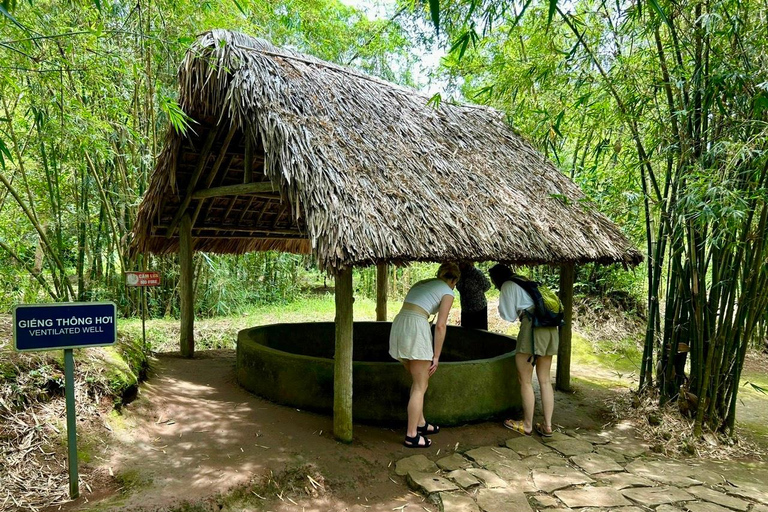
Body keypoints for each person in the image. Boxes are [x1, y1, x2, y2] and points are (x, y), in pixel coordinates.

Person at [389, 262, 460, 448]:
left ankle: (420, 423)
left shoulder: (424, 283)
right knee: (421, 385)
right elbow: (441, 325)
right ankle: (411, 435)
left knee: (419, 381)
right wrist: (436, 356)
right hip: (415, 326)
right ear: (454, 280)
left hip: (400, 324)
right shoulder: (448, 291)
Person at [488, 263, 558, 437]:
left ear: (496, 279)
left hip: (532, 328)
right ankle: (548, 426)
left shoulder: (507, 285)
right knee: (545, 380)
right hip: (549, 328)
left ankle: (527, 425)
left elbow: (508, 316)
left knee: (525, 380)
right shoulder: (524, 280)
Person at [456, 262, 491, 330]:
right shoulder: (459, 274)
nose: (459, 265)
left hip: (479, 307)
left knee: (481, 331)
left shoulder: (476, 273)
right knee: (466, 331)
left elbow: (487, 285)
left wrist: (476, 292)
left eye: (461, 262)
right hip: (466, 308)